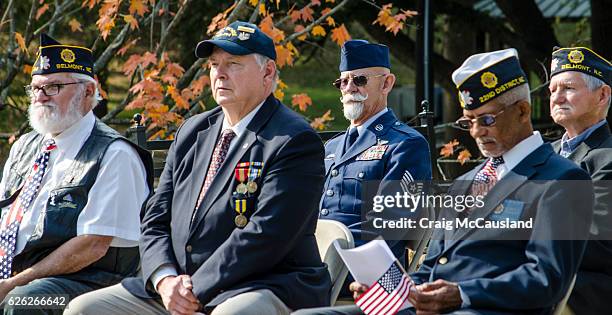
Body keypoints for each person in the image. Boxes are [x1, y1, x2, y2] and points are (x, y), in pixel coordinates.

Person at [294, 48, 593, 315]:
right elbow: (431, 267)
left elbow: (547, 279)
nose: (476, 132)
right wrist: (392, 290)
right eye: (468, 121)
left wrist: (461, 295)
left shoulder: (563, 179)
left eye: (486, 119)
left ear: (523, 111)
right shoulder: (467, 181)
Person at [66, 21, 331, 315]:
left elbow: (266, 235)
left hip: (261, 283)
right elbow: (155, 215)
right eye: (214, 64)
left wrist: (192, 288)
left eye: (233, 63)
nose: (219, 73)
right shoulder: (193, 131)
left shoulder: (292, 140)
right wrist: (165, 279)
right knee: (84, 308)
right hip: (175, 285)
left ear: (267, 72)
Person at [0, 34, 153, 315]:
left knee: (23, 302)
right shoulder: (25, 147)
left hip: (88, 285)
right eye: (35, 88)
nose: (40, 96)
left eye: (54, 86)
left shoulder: (113, 154)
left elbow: (92, 246)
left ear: (88, 91)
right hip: (16, 276)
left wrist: (11, 283)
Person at [319, 39, 431, 264]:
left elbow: (388, 228)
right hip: (315, 263)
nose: (349, 88)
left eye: (360, 80)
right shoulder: (331, 147)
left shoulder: (405, 145)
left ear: (386, 84)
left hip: (362, 272)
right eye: (343, 82)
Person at [549, 46, 612, 315]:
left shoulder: (607, 158)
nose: (557, 97)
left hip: (582, 290)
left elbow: (597, 240)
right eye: (552, 90)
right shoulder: (542, 153)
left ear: (602, 95)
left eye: (569, 88)